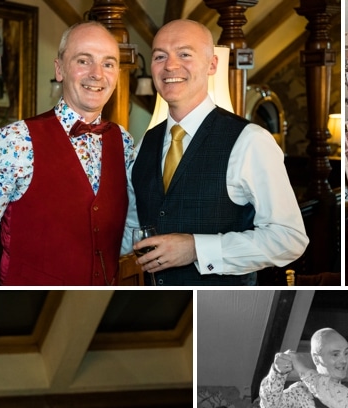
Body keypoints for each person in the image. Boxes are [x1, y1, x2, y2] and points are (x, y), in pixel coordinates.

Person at [0, 23, 135, 287]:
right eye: (84, 60)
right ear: (60, 69)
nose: (97, 74)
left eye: (108, 64)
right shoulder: (13, 141)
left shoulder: (124, 142)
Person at [130, 20, 307, 285]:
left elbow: (289, 238)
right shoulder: (145, 143)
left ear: (212, 64)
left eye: (185, 54)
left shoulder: (250, 140)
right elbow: (133, 223)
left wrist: (196, 249)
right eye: (159, 56)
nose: (170, 65)